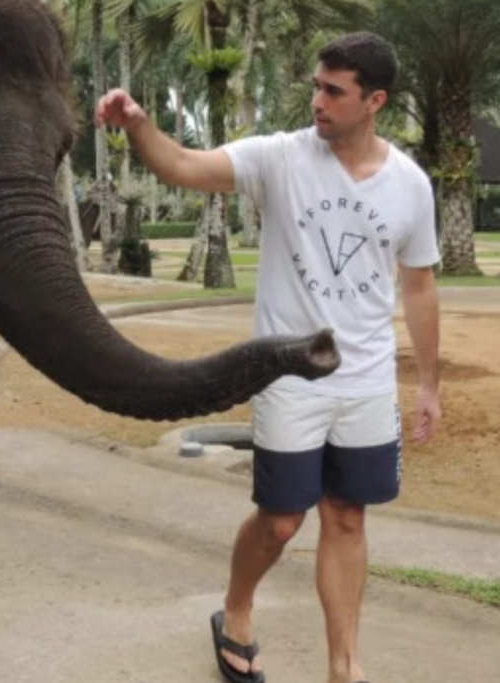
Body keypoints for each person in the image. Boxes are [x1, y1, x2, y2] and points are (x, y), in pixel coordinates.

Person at [96, 32, 441, 683]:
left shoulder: (411, 186)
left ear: (374, 101)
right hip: (289, 375)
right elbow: (184, 166)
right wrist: (139, 124)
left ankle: (345, 666)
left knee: (347, 516)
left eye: (334, 91)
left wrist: (427, 383)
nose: (317, 101)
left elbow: (419, 286)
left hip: (366, 381)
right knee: (281, 521)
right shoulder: (280, 158)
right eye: (316, 86)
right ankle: (236, 609)